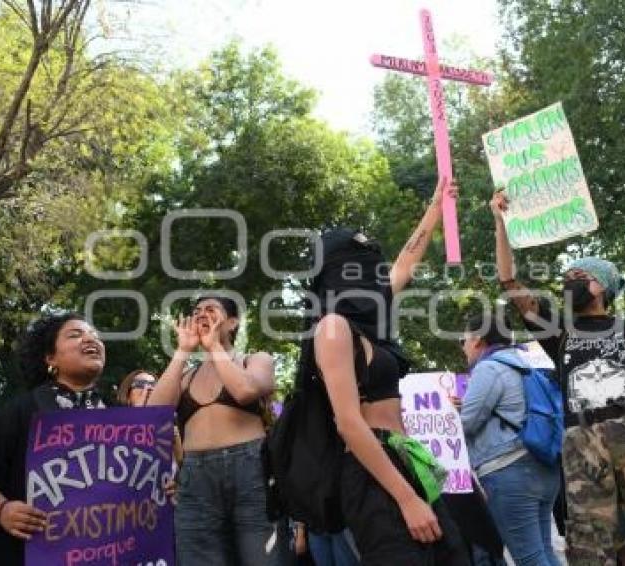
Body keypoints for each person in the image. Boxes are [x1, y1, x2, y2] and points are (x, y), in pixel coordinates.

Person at [489, 191, 625, 565]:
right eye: (567, 276)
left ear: (603, 286)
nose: (569, 281)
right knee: (591, 549)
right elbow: (508, 280)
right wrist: (500, 222)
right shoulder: (558, 331)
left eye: (580, 276)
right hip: (582, 445)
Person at [306, 177, 469, 566]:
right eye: (355, 263)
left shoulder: (372, 319)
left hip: (406, 457)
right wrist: (407, 498)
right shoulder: (332, 328)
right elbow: (348, 422)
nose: (368, 271)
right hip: (372, 473)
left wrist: (436, 205)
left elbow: (405, 264)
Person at [0, 313, 108, 565]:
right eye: (75, 334)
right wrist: (2, 510)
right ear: (50, 358)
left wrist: (156, 487)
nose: (91, 338)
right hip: (27, 553)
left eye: (96, 335)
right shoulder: (21, 411)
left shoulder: (118, 420)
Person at [148, 295, 285, 566]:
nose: (201, 314)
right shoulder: (187, 375)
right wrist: (182, 351)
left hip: (251, 472)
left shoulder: (255, 360)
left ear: (232, 322)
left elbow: (245, 391)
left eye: (211, 309)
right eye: (196, 310)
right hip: (196, 478)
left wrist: (214, 347)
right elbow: (154, 413)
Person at [457, 312, 561, 565]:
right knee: (543, 552)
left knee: (530, 558)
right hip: (543, 467)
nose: (463, 346)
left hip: (509, 472)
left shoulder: (488, 368)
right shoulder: (524, 364)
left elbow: (466, 424)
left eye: (464, 339)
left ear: (478, 339)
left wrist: (453, 414)